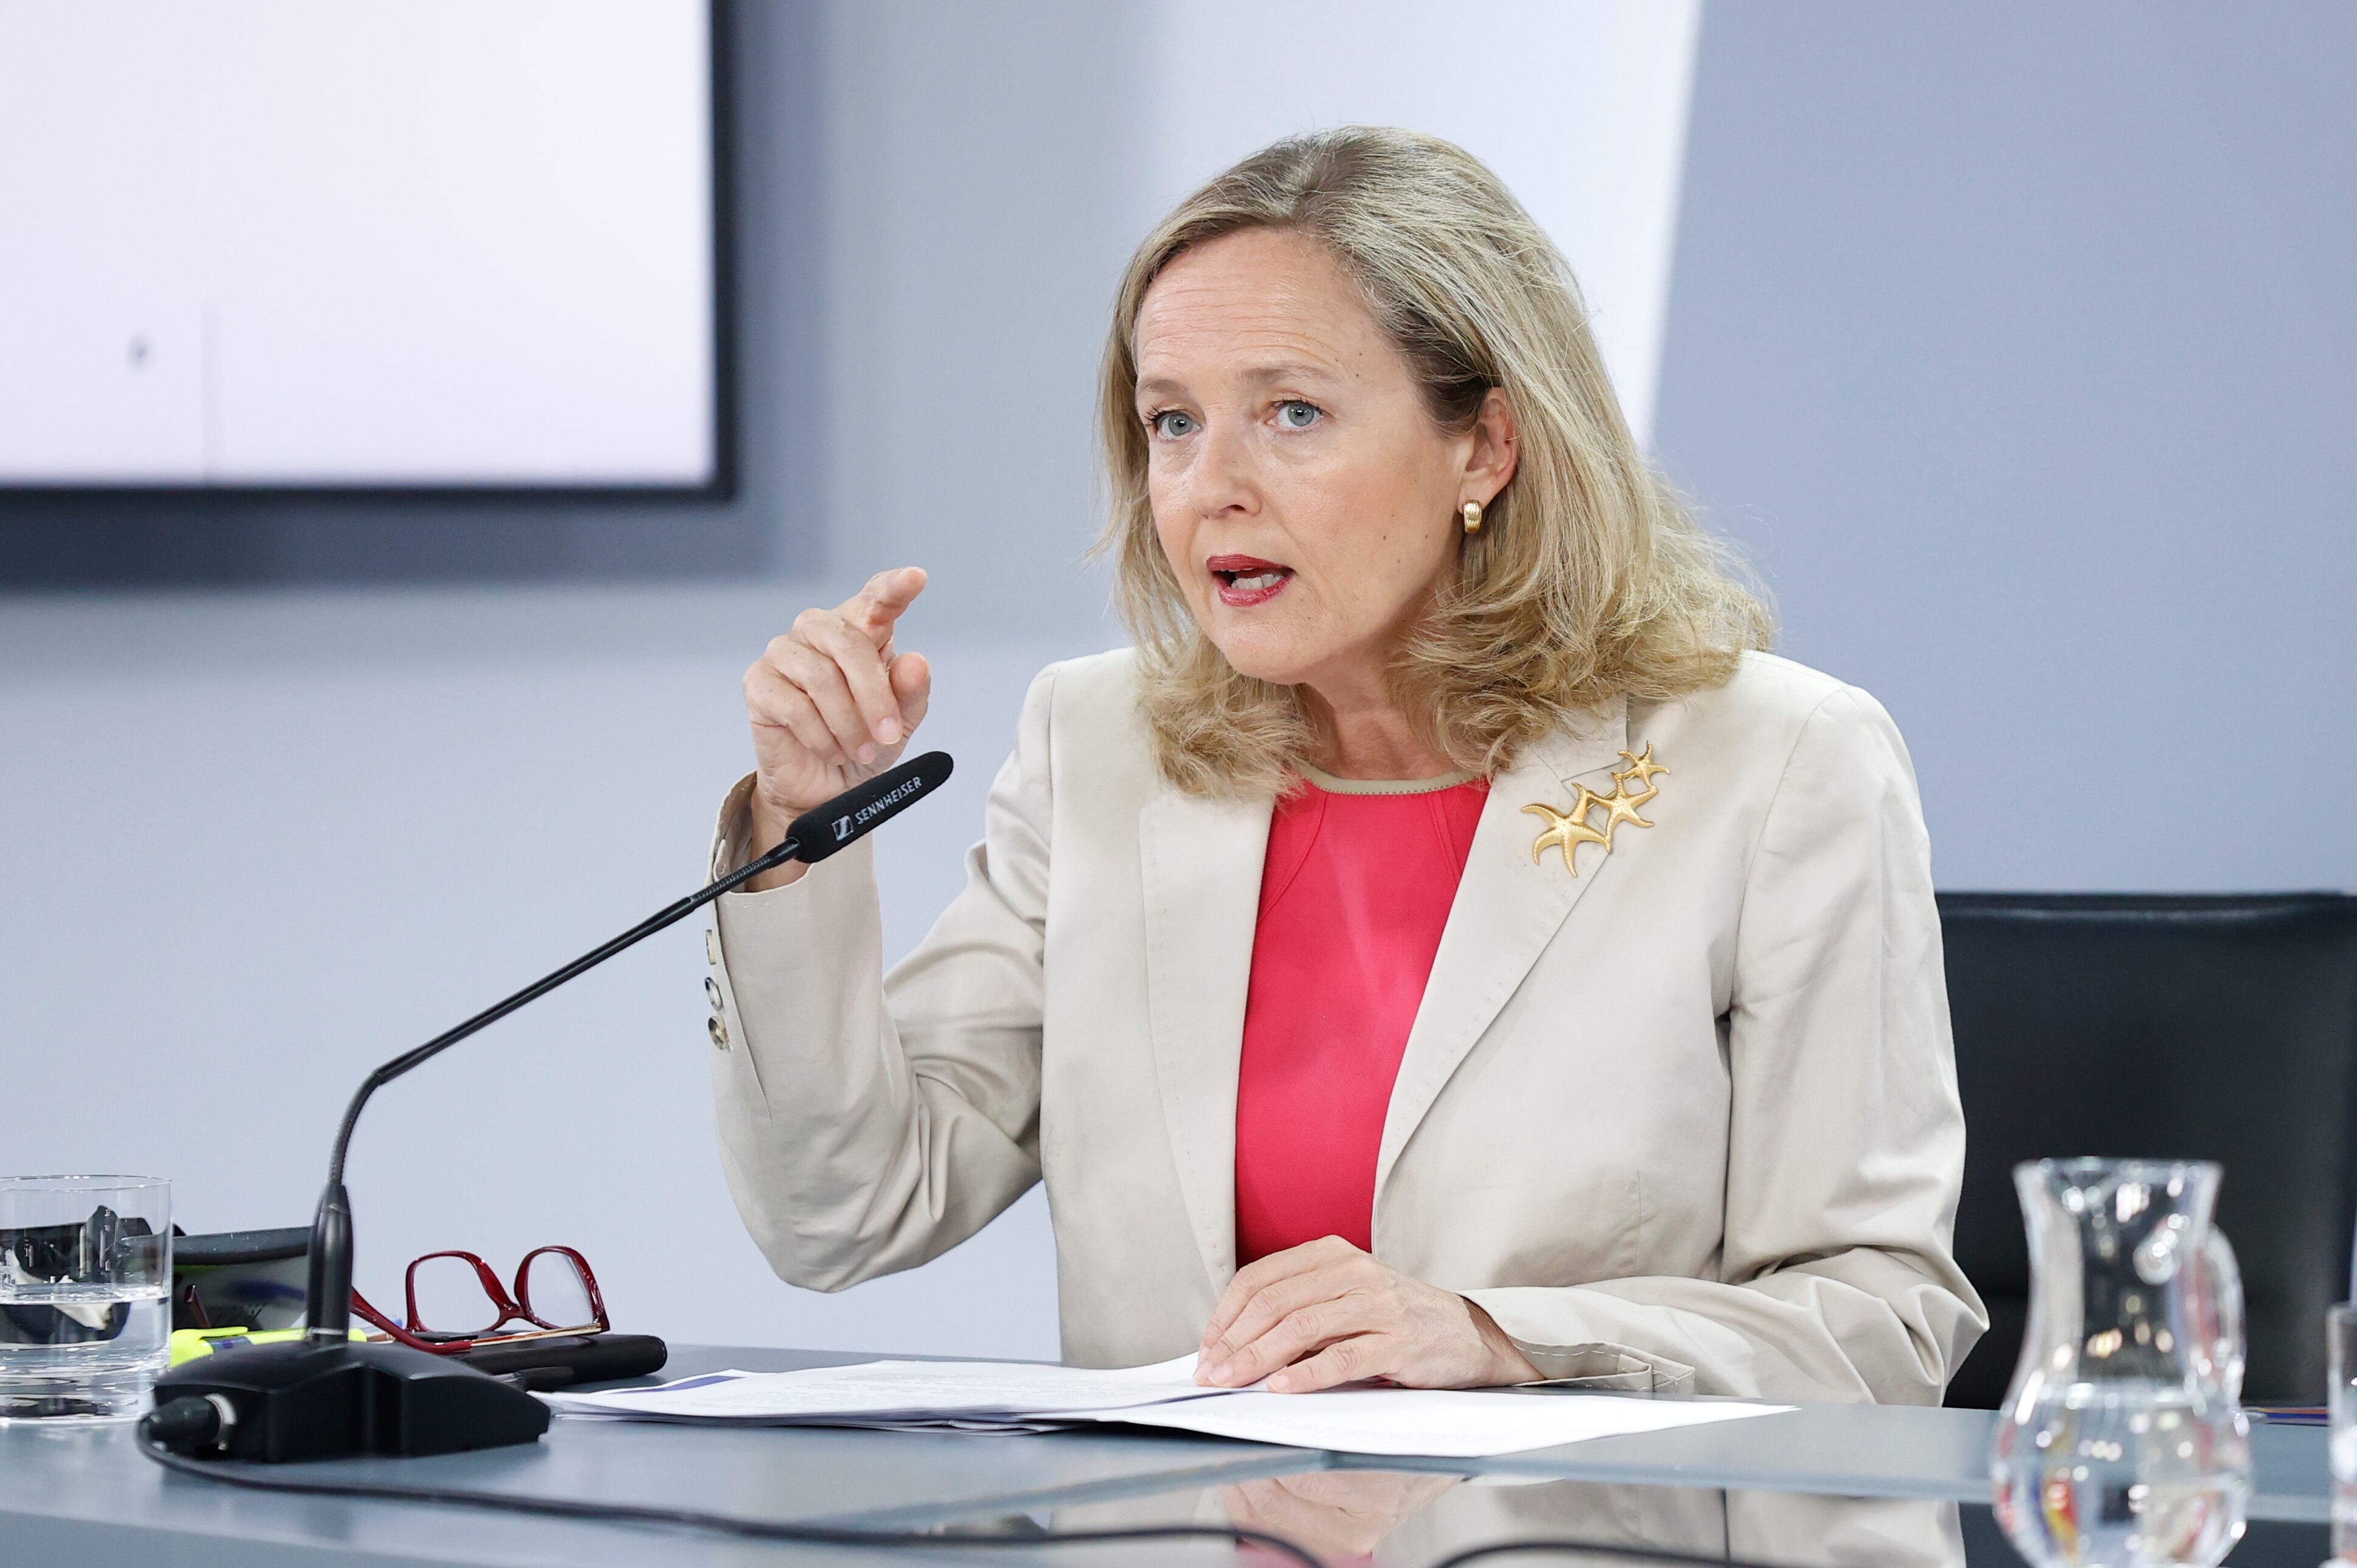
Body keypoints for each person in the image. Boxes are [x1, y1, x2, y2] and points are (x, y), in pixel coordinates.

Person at [704, 127, 1984, 1403]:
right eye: (1172, 423)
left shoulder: (1773, 765)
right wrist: (799, 829)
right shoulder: (1098, 750)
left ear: (1484, 445)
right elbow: (847, 1210)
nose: (1210, 489)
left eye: (1293, 413)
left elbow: (1882, 1322)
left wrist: (1502, 1337)